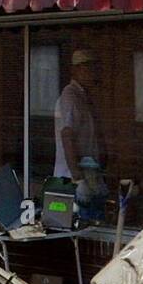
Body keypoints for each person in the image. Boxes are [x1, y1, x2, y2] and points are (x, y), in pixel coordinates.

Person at [54, 49, 105, 203]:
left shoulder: (83, 96)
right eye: (87, 68)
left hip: (89, 171)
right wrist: (78, 178)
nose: (92, 73)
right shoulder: (70, 96)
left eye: (93, 68)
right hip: (72, 178)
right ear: (75, 70)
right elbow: (67, 135)